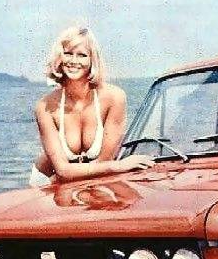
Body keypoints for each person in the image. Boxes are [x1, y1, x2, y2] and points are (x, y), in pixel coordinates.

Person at [29, 26, 153, 187]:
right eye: (68, 53)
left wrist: (111, 166)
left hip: (90, 176)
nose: (74, 61)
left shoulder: (114, 98)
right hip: (47, 182)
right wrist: (119, 166)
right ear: (59, 57)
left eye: (82, 55)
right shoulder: (45, 106)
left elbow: (104, 161)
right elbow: (62, 171)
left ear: (92, 60)